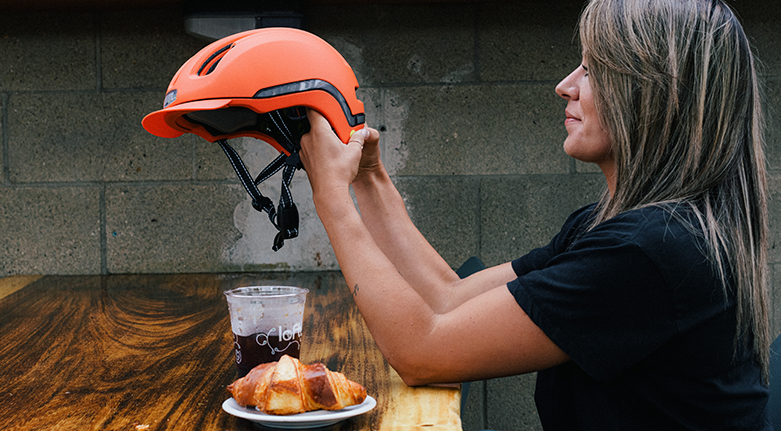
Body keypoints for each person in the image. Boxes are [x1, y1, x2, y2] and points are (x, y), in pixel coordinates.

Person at [298, 0, 772, 429]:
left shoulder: (651, 251)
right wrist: (368, 176)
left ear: (654, 94)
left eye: (593, 70)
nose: (564, 86)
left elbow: (422, 352)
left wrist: (331, 199)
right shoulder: (610, 225)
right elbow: (447, 299)